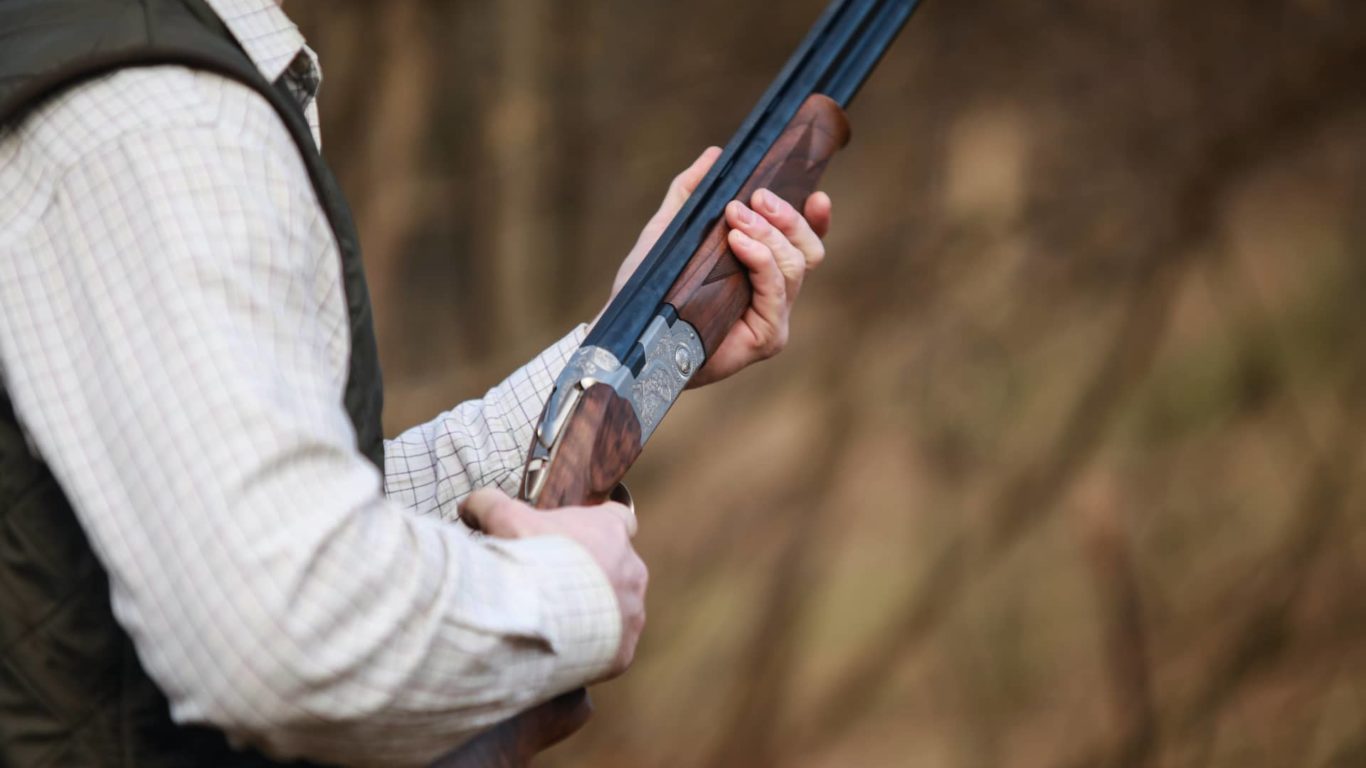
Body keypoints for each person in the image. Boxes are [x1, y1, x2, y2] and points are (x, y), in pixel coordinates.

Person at [0, 0, 831, 766]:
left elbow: (259, 518)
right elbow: (279, 625)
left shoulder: (102, 63)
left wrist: (638, 340)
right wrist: (568, 598)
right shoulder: (166, 122)